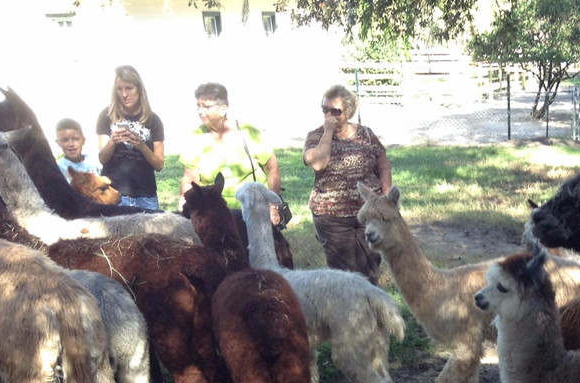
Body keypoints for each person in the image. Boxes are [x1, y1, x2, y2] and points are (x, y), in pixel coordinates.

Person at [303, 84, 391, 283]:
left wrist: (385, 198)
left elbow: (384, 166)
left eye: (335, 111)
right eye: (325, 110)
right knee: (343, 276)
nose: (329, 115)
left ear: (349, 112)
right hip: (331, 218)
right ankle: (348, 313)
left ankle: (372, 310)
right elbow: (318, 163)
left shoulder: (366, 135)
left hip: (369, 214)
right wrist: (328, 132)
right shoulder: (315, 137)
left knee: (371, 271)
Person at [179, 82, 281, 218]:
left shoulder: (248, 133)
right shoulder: (195, 138)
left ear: (223, 109)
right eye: (198, 106)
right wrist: (183, 206)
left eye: (206, 106)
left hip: (254, 210)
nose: (200, 111)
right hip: (214, 214)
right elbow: (190, 180)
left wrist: (272, 205)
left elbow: (273, 169)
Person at [95, 65, 164, 210]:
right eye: (119, 89)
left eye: (129, 88)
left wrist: (142, 146)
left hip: (146, 197)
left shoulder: (153, 120)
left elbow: (159, 165)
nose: (124, 94)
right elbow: (102, 158)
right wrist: (112, 142)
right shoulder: (106, 116)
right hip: (115, 195)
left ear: (139, 89)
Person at [55, 118, 100, 182]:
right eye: (65, 140)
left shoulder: (92, 161)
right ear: (58, 143)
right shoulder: (60, 169)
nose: (71, 144)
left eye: (76, 139)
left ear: (83, 140)